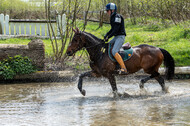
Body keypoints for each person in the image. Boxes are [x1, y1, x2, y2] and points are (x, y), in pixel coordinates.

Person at [104, 3, 128, 74]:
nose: (107, 12)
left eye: (108, 11)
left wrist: (109, 36)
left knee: (114, 51)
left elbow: (116, 30)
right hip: (116, 37)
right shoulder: (112, 17)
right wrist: (107, 35)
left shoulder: (117, 17)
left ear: (112, 10)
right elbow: (112, 29)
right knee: (108, 45)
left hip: (120, 37)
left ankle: (124, 68)